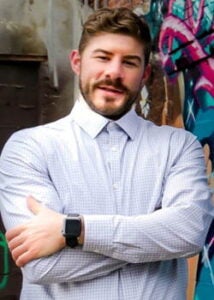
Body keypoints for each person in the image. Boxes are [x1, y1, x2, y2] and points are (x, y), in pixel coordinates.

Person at [0, 7, 213, 300]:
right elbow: (43, 264)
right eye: (102, 57)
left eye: (129, 62)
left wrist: (73, 230)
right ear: (77, 62)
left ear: (145, 73)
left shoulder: (178, 146)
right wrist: (157, 238)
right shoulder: (29, 148)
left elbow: (188, 233)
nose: (114, 72)